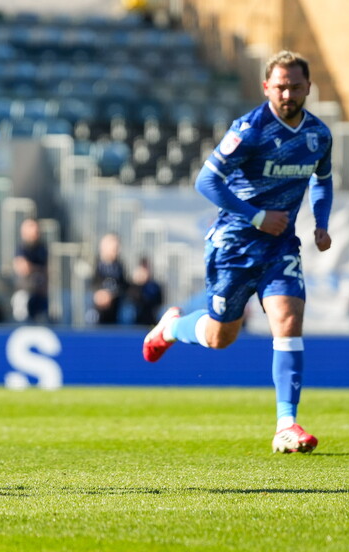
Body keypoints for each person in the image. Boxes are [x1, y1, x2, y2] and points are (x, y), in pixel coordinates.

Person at [142, 50, 332, 454]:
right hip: (233, 246)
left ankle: (287, 424)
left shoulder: (319, 135)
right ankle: (171, 328)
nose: (288, 94)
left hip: (280, 246)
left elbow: (323, 178)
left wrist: (321, 222)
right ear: (267, 87)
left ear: (308, 88)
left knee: (287, 319)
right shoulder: (250, 129)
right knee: (219, 337)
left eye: (296, 86)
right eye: (280, 86)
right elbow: (206, 182)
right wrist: (257, 215)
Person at [10, 218, 49, 323]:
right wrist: (38, 268)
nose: (35, 232)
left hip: (40, 293)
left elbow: (48, 270)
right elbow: (23, 268)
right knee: (22, 319)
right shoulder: (21, 248)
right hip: (24, 292)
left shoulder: (42, 248)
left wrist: (33, 267)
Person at [88, 232, 127, 325]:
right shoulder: (94, 264)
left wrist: (111, 295)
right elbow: (89, 285)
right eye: (114, 247)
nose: (117, 250)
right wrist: (98, 294)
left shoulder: (119, 266)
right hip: (95, 310)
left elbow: (123, 286)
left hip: (115, 310)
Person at [128, 256, 164, 326]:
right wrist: (137, 285)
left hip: (149, 321)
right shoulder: (132, 286)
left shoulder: (154, 286)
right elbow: (132, 300)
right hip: (133, 322)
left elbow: (155, 302)